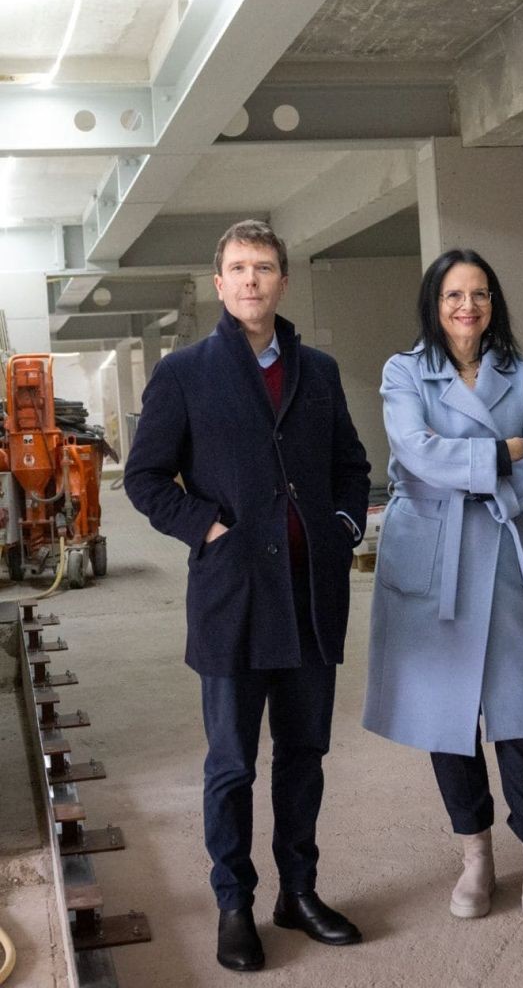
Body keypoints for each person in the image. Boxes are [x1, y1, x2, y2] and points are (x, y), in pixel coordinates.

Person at [125, 219, 370, 972]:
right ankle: (234, 902)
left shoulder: (319, 370)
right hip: (234, 599)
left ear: (283, 280)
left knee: (304, 755)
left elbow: (352, 465)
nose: (252, 281)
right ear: (219, 282)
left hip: (308, 598)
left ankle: (297, 893)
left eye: (265, 267)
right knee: (232, 764)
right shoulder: (185, 373)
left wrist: (339, 527)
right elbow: (143, 478)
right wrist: (208, 531)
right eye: (238, 268)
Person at [363, 249, 523, 930]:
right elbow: (414, 451)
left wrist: (483, 479)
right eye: (452, 295)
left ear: (492, 304)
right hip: (432, 555)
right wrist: (500, 453)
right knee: (446, 718)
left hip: (499, 547)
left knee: (518, 715)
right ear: (433, 304)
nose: (465, 306)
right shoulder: (404, 371)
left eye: (478, 294)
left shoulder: (517, 373)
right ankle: (474, 857)